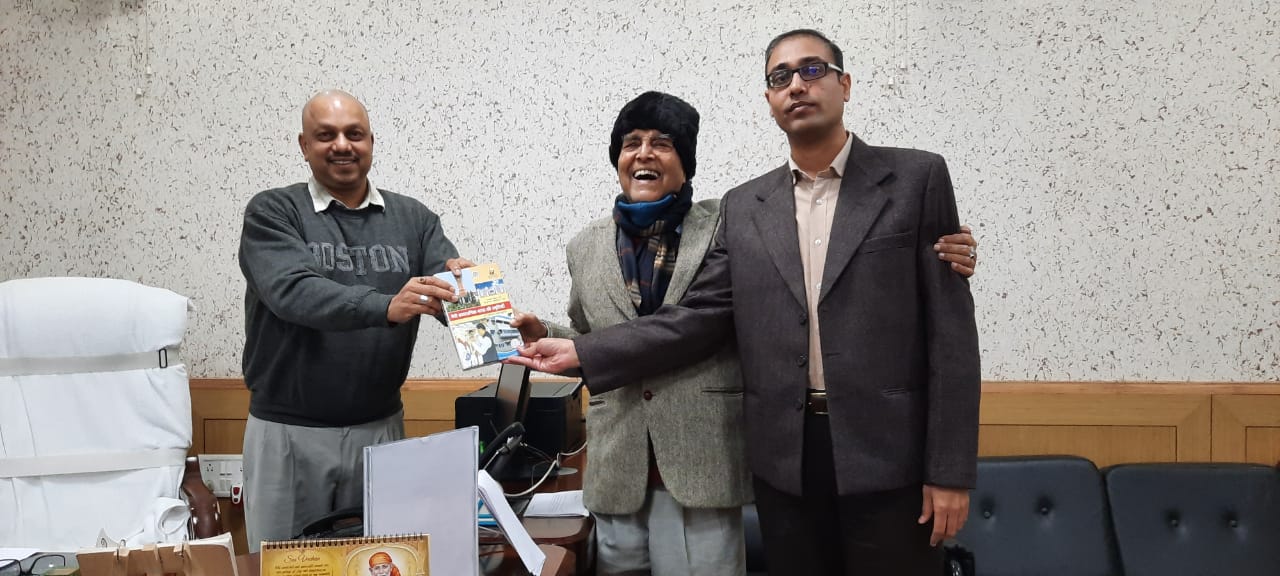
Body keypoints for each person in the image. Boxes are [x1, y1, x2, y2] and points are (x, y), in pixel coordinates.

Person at [510, 29, 980, 576]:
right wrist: (578, 352)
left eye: (812, 70)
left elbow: (951, 339)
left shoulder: (917, 179)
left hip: (889, 457)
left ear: (845, 84)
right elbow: (700, 317)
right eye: (781, 77)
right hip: (784, 461)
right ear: (769, 99)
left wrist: (950, 471)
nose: (797, 85)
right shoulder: (748, 206)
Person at [238, 89, 471, 551]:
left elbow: (446, 286)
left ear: (371, 142)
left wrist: (477, 301)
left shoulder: (415, 218)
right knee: (288, 566)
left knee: (382, 562)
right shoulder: (273, 212)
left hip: (380, 430)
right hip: (288, 435)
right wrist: (384, 306)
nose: (342, 145)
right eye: (326, 135)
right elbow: (293, 292)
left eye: (354, 134)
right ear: (304, 145)